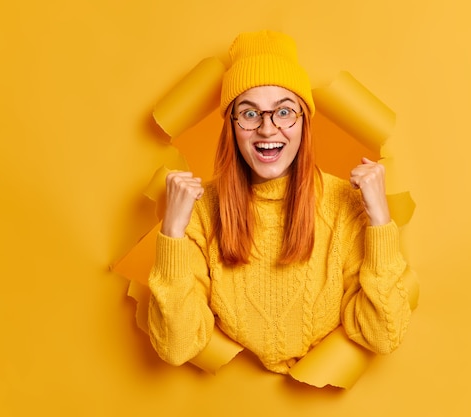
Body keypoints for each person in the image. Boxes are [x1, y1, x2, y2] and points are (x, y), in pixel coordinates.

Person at [147, 30, 412, 374]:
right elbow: (176, 347)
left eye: (284, 112)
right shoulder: (198, 212)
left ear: (304, 122)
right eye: (250, 113)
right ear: (231, 125)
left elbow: (382, 337)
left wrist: (379, 221)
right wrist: (172, 232)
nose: (268, 129)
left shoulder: (345, 205)